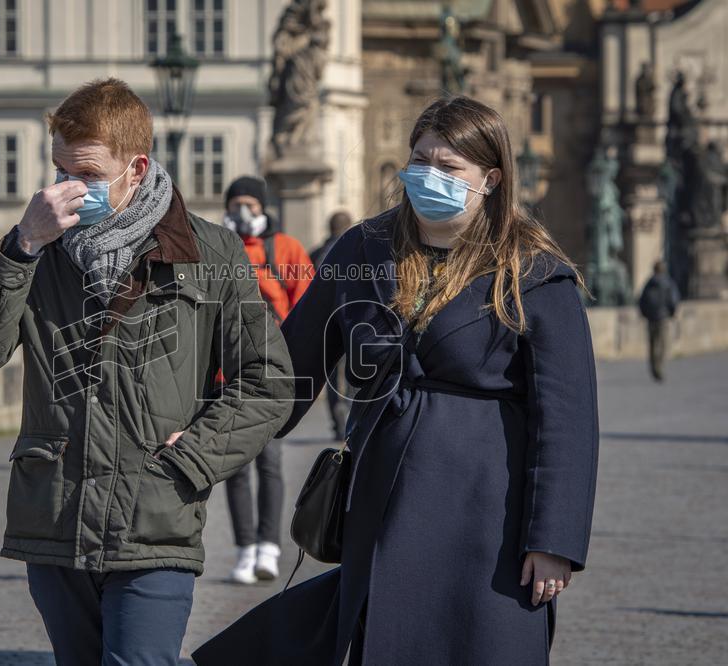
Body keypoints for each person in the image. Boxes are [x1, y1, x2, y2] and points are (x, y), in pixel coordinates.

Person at [193, 96, 600, 666]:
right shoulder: (364, 248)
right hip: (384, 499)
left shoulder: (532, 270)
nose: (429, 175)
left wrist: (553, 541)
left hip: (491, 510)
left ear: (491, 178)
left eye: (449, 166)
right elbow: (286, 372)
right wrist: (201, 440)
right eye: (420, 160)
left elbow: (567, 421)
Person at [0, 78, 295, 666]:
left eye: (87, 174)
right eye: (60, 170)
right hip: (54, 519)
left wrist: (192, 460)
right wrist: (21, 246)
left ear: (137, 168)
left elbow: (269, 381)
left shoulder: (210, 252)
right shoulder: (36, 248)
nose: (68, 189)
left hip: (155, 518)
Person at [221, 175, 315, 584]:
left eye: (251, 203)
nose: (243, 210)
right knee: (236, 466)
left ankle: (269, 547)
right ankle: (245, 548)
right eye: (236, 203)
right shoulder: (217, 247)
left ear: (263, 207)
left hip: (272, 374)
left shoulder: (287, 249)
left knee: (270, 462)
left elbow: (308, 310)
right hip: (227, 375)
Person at [309, 211, 354, 440]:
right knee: (355, 374)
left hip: (326, 323)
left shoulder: (317, 253)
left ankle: (338, 425)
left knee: (332, 377)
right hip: (353, 321)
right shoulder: (357, 249)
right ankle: (352, 423)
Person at [638, 259, 680, 381]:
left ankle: (653, 367)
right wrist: (672, 313)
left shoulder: (649, 283)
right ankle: (659, 367)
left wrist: (645, 314)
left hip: (651, 318)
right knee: (662, 344)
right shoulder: (668, 283)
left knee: (652, 344)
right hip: (663, 318)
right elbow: (673, 300)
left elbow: (642, 300)